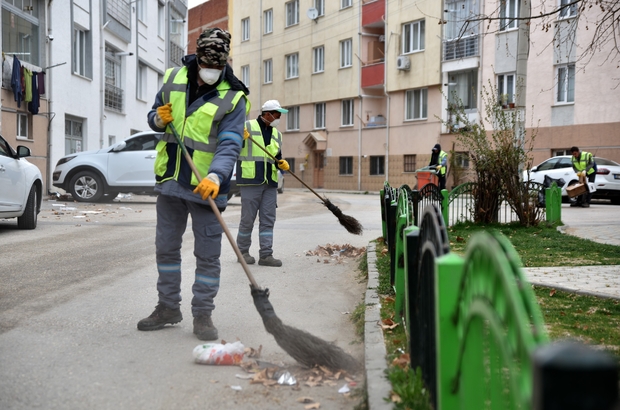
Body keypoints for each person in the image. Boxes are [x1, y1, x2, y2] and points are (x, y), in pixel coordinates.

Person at [137, 28, 250, 341]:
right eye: (207, 65)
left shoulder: (234, 96)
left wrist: (216, 176)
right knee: (166, 249)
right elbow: (154, 115)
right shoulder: (173, 78)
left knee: (207, 255)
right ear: (197, 58)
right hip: (171, 181)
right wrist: (157, 120)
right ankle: (168, 307)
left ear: (226, 61)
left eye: (218, 66)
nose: (211, 71)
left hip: (205, 188)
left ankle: (203, 314)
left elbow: (229, 144)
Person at [236, 100, 289, 267]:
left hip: (270, 183)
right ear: (268, 114)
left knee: (268, 220)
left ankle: (266, 255)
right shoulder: (247, 127)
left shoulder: (277, 134)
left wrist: (281, 163)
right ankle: (242, 252)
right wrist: (239, 137)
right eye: (277, 115)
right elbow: (230, 146)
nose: (279, 118)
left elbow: (276, 156)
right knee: (247, 219)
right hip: (251, 179)